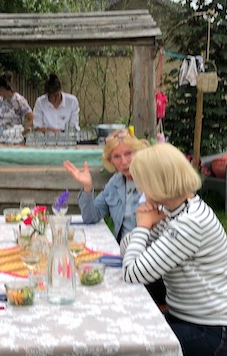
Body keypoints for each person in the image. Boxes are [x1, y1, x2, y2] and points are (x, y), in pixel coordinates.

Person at [121, 143, 227, 356]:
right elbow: (128, 251)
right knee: (126, 326)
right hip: (188, 318)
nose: (140, 189)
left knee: (132, 347)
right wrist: (146, 227)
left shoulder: (190, 223)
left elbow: (133, 273)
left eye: (141, 182)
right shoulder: (175, 211)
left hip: (215, 333)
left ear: (155, 183)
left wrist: (142, 227)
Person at [62, 129, 166, 305]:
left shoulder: (154, 182)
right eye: (116, 157)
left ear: (139, 153)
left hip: (151, 262)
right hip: (123, 256)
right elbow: (91, 217)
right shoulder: (116, 182)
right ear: (110, 161)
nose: (124, 162)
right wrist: (87, 187)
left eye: (128, 154)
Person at [0, 73, 33, 139]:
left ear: (1, 89)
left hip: (15, 138)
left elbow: (32, 119)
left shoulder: (19, 100)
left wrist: (21, 133)